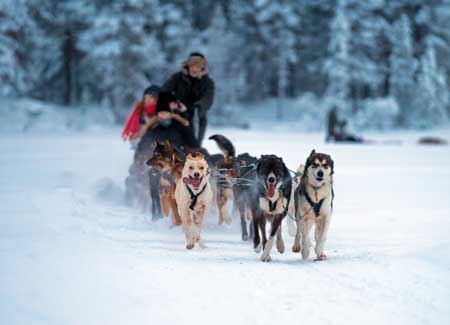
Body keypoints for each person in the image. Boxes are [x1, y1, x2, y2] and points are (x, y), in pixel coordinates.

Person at [162, 52, 214, 146]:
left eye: (198, 67)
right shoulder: (177, 78)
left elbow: (208, 99)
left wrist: (193, 107)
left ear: (202, 68)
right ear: (187, 66)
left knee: (194, 146)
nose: (195, 69)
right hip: (177, 115)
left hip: (196, 116)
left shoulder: (208, 82)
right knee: (174, 141)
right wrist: (172, 102)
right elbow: (165, 91)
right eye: (192, 66)